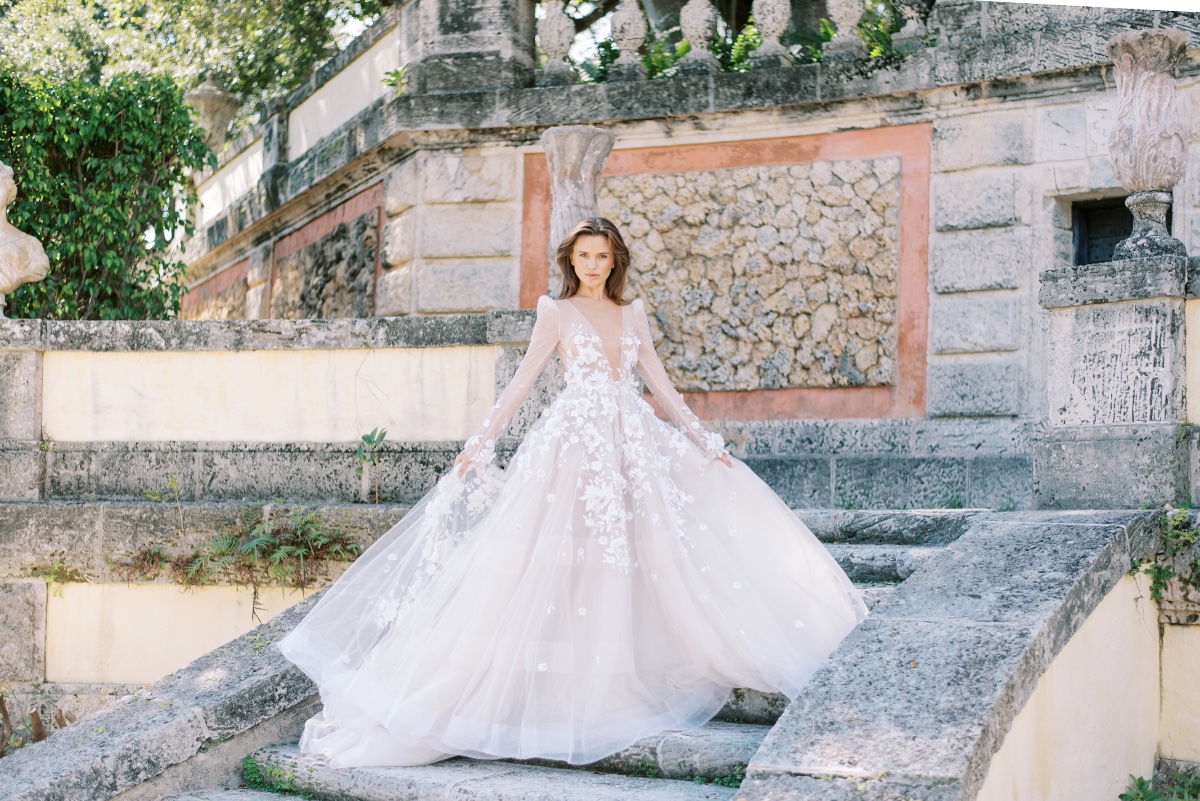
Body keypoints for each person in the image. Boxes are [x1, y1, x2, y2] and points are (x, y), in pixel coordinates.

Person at [278, 217, 867, 769]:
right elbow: (522, 381)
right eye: (583, 255)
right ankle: (556, 674)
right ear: (572, 260)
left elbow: (656, 381)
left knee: (642, 550)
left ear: (615, 262)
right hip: (573, 444)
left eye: (602, 256)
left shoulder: (631, 314)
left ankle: (622, 664)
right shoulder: (555, 313)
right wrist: (479, 443)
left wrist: (702, 437)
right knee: (564, 553)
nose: (592, 264)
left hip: (632, 442)